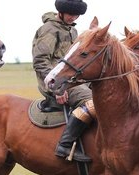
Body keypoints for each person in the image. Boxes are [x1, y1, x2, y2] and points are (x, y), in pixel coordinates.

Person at [32, 0, 94, 163]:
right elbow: (40, 62)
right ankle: (65, 145)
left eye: (77, 15)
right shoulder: (49, 30)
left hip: (72, 81)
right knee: (91, 103)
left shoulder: (73, 31)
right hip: (54, 83)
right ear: (60, 12)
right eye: (70, 14)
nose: (73, 18)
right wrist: (57, 90)